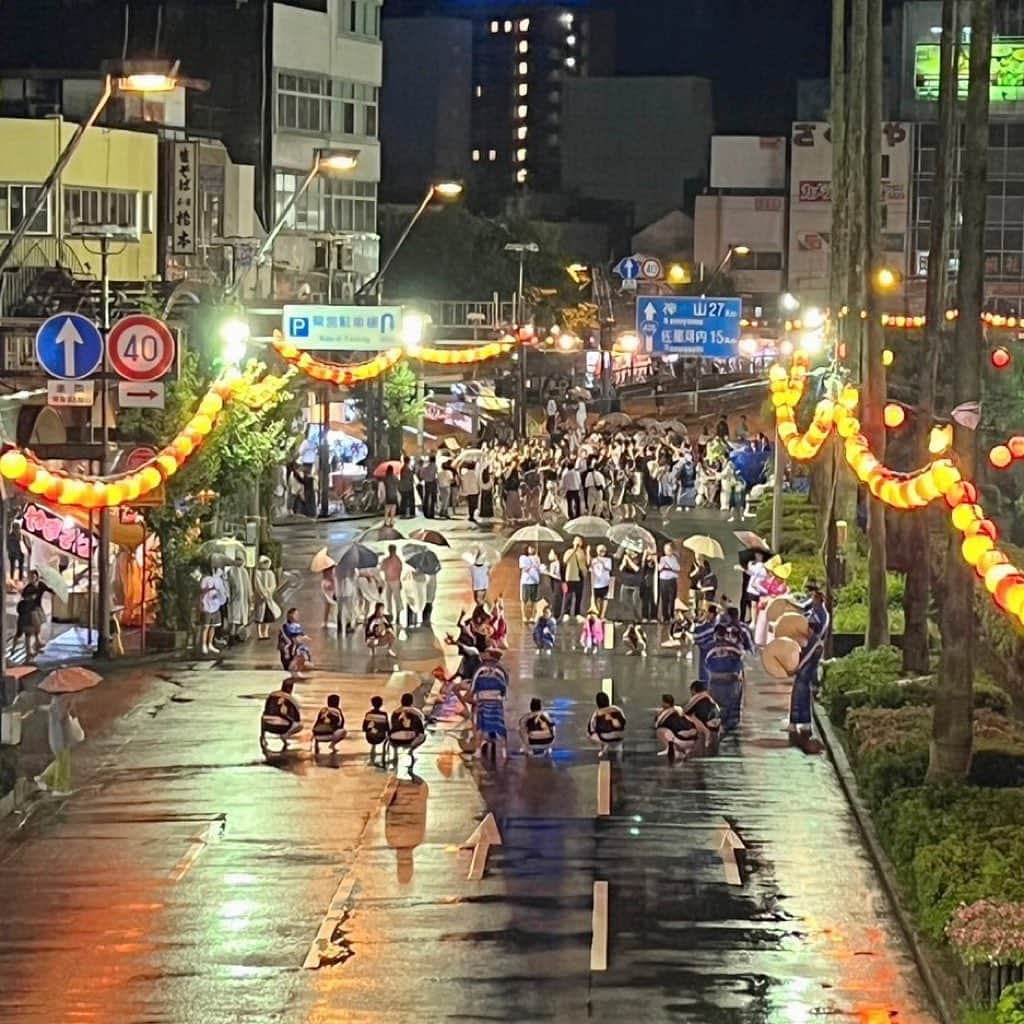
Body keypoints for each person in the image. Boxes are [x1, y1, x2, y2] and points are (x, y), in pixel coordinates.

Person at [34, 693, 82, 796]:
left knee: (63, 757)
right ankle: (59, 788)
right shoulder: (60, 700)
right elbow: (58, 717)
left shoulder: (61, 699)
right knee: (63, 758)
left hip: (62, 734)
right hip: (59, 735)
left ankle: (44, 778)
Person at [469, 649, 510, 763]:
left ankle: (477, 750)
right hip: (496, 702)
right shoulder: (501, 671)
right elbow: (505, 687)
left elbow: (473, 686)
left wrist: (472, 697)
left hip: (483, 701)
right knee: (500, 726)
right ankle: (504, 750)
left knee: (480, 727)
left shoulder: (480, 670)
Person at [705, 624, 745, 732]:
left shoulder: (709, 647)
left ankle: (718, 724)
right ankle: (729, 725)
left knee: (717, 705)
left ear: (715, 634)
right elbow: (739, 662)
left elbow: (706, 663)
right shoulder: (734, 647)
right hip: (731, 680)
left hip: (715, 680)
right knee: (731, 705)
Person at [15, 569, 52, 659]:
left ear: (37, 577)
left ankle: (37, 643)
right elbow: (24, 596)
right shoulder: (28, 588)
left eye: (33, 576)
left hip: (37, 609)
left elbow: (48, 589)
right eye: (30, 577)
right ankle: (28, 651)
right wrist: (30, 597)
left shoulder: (41, 585)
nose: (31, 578)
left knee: (37, 627)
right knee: (29, 631)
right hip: (29, 611)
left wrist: (53, 591)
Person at [684, 679, 723, 757]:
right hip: (717, 728)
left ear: (693, 690)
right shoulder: (710, 699)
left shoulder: (697, 697)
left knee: (688, 716)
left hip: (706, 727)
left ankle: (705, 733)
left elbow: (684, 712)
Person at [260, 679, 302, 752]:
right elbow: (297, 718)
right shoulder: (291, 699)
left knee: (264, 716)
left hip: (267, 725)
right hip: (280, 728)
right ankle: (285, 735)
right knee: (299, 725)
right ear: (291, 689)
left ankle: (263, 737)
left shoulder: (272, 695)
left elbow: (266, 710)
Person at [389, 692, 427, 767]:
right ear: (411, 702)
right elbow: (421, 724)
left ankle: (395, 752)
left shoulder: (395, 712)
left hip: (395, 739)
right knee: (423, 735)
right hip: (409, 739)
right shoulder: (417, 713)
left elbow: (392, 725)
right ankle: (411, 750)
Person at [654, 693, 698, 758]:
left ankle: (669, 748)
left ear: (665, 703)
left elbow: (657, 724)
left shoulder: (664, 714)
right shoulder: (680, 711)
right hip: (693, 740)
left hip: (682, 740)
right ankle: (685, 751)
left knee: (660, 730)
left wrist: (658, 715)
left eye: (663, 702)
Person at [197, 563, 226, 655]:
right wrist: (210, 589)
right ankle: (203, 645)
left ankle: (210, 644)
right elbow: (201, 590)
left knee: (213, 626)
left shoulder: (218, 580)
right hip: (206, 605)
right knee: (206, 626)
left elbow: (222, 590)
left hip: (216, 604)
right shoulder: (205, 579)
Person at [587, 691, 626, 757]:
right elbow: (624, 721)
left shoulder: (597, 713)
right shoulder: (617, 709)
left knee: (589, 733)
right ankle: (618, 749)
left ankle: (603, 746)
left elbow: (591, 728)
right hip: (620, 736)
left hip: (605, 737)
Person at [278, 608, 313, 676]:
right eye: (295, 614)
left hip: (295, 654)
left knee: (308, 663)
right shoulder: (285, 627)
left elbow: (301, 635)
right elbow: (292, 637)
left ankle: (297, 667)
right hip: (289, 657)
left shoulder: (297, 626)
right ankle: (294, 668)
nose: (297, 616)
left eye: (297, 614)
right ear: (289, 616)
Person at [252, 555, 280, 640]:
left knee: (268, 616)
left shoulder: (270, 573)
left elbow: (273, 585)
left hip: (268, 598)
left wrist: (268, 592)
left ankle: (266, 632)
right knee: (259, 616)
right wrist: (262, 594)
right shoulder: (257, 573)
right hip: (260, 599)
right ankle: (260, 633)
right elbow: (257, 585)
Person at [563, 536, 589, 620]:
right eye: (576, 541)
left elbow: (585, 563)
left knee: (579, 595)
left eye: (580, 541)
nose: (578, 543)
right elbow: (565, 560)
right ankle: (566, 613)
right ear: (573, 542)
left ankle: (577, 613)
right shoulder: (569, 551)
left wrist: (587, 553)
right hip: (570, 576)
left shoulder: (582, 552)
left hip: (580, 576)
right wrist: (574, 550)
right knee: (568, 595)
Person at [518, 543, 542, 623]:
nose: (532, 549)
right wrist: (532, 564)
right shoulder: (523, 558)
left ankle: (532, 616)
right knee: (524, 600)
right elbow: (525, 568)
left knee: (533, 600)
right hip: (526, 581)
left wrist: (536, 562)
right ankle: (524, 616)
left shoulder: (536, 558)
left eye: (533, 548)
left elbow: (539, 568)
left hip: (534, 582)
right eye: (530, 548)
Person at [362, 695, 390, 762]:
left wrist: (373, 730)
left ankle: (373, 749)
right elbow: (387, 727)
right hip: (381, 737)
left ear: (372, 704)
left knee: (371, 731)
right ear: (381, 704)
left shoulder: (368, 714)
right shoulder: (384, 714)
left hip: (370, 737)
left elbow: (364, 728)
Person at [657, 543, 681, 623]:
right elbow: (659, 568)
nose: (668, 551)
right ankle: (665, 616)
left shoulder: (674, 558)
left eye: (669, 550)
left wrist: (670, 568)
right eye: (666, 550)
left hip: (672, 580)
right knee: (664, 599)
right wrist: (663, 566)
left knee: (672, 599)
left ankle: (671, 615)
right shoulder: (663, 559)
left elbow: (677, 568)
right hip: (664, 581)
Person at [381, 544, 404, 625]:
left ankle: (398, 615)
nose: (391, 551)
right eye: (390, 550)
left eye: (392, 550)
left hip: (395, 581)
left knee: (397, 599)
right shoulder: (386, 560)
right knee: (388, 599)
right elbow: (382, 569)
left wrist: (400, 581)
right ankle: (390, 615)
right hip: (388, 581)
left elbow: (400, 571)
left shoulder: (397, 560)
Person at [589, 544, 613, 619]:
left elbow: (609, 568)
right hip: (596, 583)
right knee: (598, 599)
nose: (601, 552)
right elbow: (591, 569)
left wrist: (602, 562)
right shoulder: (594, 560)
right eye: (600, 550)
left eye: (603, 550)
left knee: (605, 598)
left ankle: (603, 615)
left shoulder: (608, 559)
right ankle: (598, 614)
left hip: (605, 582)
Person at [543, 549, 564, 620]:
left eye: (552, 553)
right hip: (553, 582)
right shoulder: (552, 564)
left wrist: (547, 573)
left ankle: (556, 614)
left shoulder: (557, 563)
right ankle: (554, 613)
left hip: (558, 582)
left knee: (557, 597)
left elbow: (557, 575)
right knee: (555, 597)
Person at [6, 518, 25, 582]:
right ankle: (12, 578)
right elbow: (9, 545)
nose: (17, 530)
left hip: (20, 552)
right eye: (16, 528)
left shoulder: (21, 535)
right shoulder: (11, 536)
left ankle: (20, 579)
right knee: (12, 566)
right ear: (13, 529)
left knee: (20, 567)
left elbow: (23, 544)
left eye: (18, 528)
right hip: (13, 553)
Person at [419, 454, 438, 519]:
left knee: (426, 497)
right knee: (433, 498)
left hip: (427, 483)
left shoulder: (425, 467)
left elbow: (421, 476)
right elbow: (435, 475)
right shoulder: (435, 466)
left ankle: (425, 512)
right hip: (433, 482)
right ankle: (431, 513)